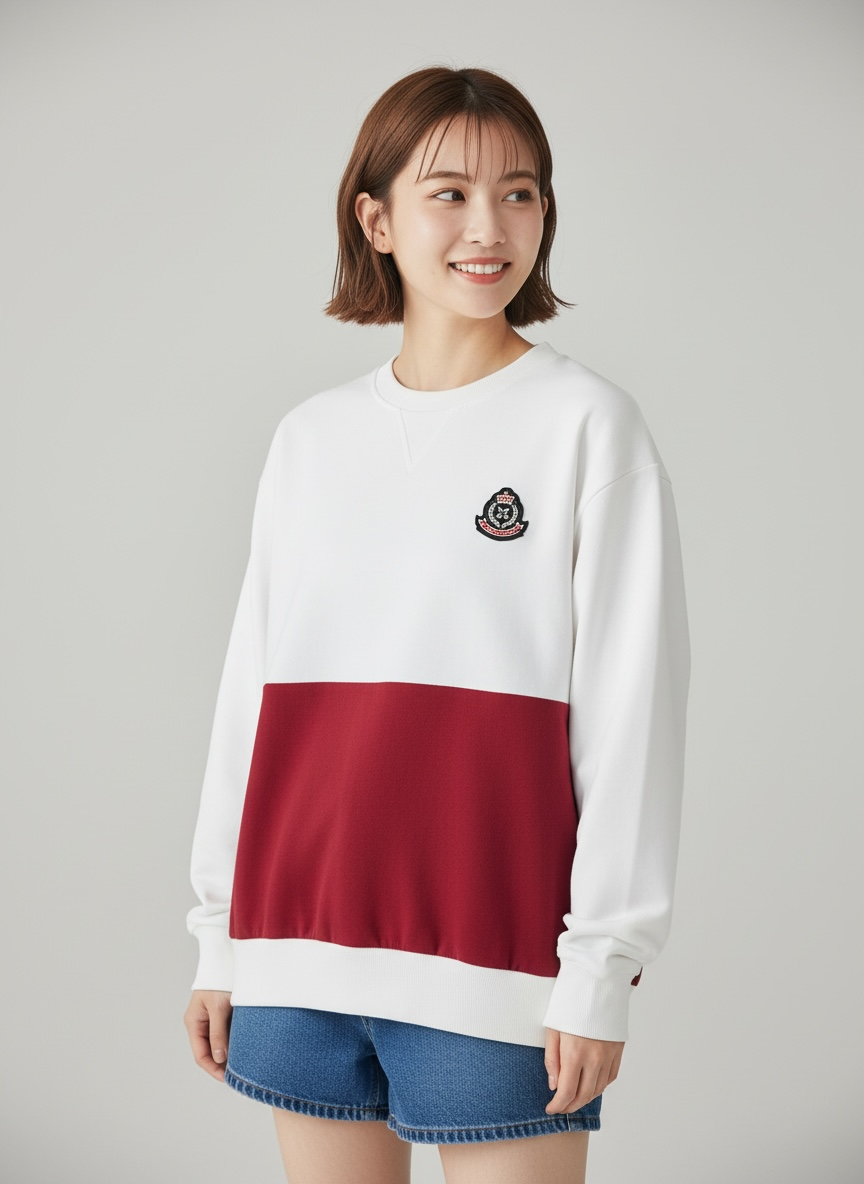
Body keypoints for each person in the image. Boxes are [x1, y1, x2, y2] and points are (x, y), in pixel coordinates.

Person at [183, 64, 691, 1184]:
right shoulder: (310, 438)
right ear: (377, 220)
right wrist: (220, 935)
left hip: (493, 970)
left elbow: (634, 715)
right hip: (294, 957)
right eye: (449, 193)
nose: (488, 227)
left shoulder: (586, 426)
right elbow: (250, 702)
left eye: (520, 193)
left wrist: (600, 968)